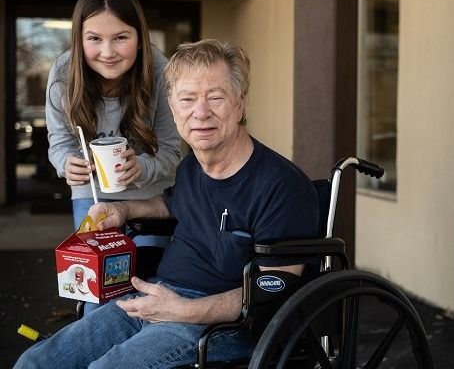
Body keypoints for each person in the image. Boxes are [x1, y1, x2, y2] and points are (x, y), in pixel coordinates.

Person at [15, 39, 319, 368]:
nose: (200, 112)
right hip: (155, 298)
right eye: (187, 99)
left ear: (240, 104)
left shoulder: (283, 186)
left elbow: (275, 286)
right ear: (174, 110)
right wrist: (124, 210)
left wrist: (185, 310)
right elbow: (171, 205)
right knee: (39, 360)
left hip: (225, 325)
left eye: (216, 98)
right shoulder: (191, 167)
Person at [45, 0, 181, 240]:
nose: (107, 52)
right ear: (79, 39)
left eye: (120, 37)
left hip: (150, 198)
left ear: (140, 38)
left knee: (147, 273)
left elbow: (171, 151)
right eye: (95, 38)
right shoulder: (63, 74)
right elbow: (59, 143)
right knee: (98, 275)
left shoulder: (161, 73)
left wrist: (141, 167)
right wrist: (65, 163)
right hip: (92, 196)